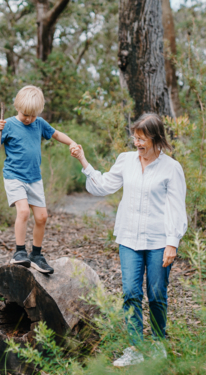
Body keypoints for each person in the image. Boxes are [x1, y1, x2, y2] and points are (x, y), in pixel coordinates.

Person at [71, 113, 187, 366]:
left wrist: (172, 242)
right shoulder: (126, 161)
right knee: (131, 293)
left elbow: (176, 208)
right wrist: (83, 161)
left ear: (156, 139)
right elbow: (102, 186)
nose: (137, 143)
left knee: (157, 294)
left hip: (158, 241)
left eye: (142, 139)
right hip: (129, 239)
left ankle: (158, 344)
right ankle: (135, 347)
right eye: (135, 138)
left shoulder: (171, 168)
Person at [0, 85, 78, 274]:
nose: (29, 119)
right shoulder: (9, 124)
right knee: (23, 212)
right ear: (17, 108)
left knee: (42, 217)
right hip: (14, 177)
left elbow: (56, 134)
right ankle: (19, 252)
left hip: (34, 179)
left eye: (33, 115)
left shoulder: (39, 123)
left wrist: (71, 142)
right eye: (25, 115)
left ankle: (36, 255)